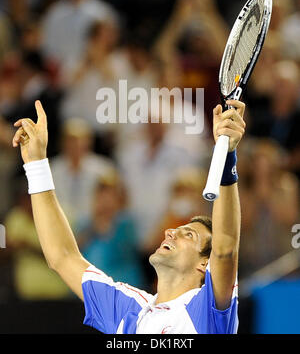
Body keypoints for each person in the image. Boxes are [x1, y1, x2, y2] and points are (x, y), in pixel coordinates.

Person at [12, 98, 246, 334]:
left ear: (205, 264)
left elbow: (225, 249)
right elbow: (62, 257)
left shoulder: (207, 308)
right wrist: (36, 164)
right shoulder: (128, 308)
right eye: (177, 229)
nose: (171, 232)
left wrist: (226, 155)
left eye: (189, 235)